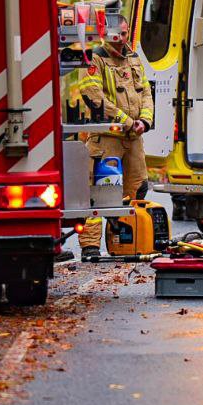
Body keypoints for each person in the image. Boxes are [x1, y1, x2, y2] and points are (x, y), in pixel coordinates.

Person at [77, 33, 154, 261]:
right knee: (100, 192)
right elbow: (93, 95)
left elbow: (146, 92)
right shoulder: (94, 58)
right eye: (115, 33)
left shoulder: (134, 58)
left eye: (123, 33)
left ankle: (123, 241)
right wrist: (127, 121)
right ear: (105, 33)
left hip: (133, 138)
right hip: (107, 137)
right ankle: (90, 246)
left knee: (137, 190)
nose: (120, 38)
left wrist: (145, 120)